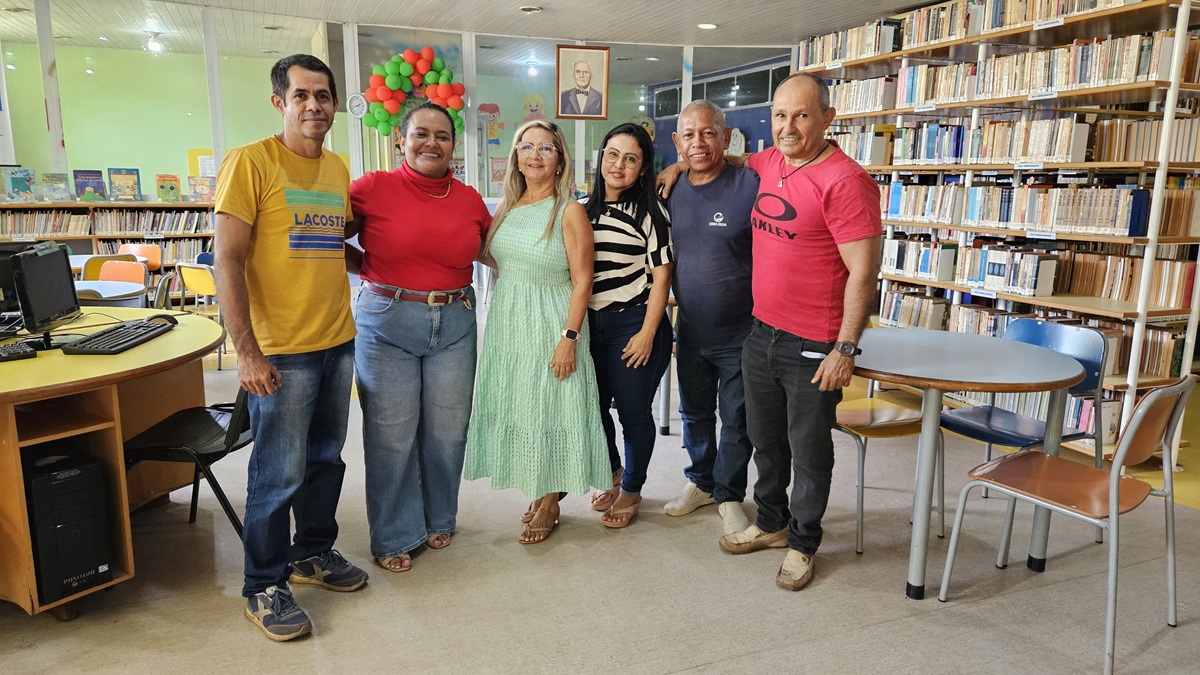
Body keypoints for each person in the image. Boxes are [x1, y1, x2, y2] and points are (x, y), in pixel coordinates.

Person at [660, 73, 881, 591]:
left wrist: (844, 348)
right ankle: (772, 522)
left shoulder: (846, 181)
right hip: (760, 332)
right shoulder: (769, 162)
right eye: (780, 115)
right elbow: (722, 160)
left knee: (808, 450)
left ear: (828, 118)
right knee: (766, 441)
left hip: (814, 341)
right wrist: (674, 165)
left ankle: (804, 542)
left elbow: (864, 273)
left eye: (801, 115)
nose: (788, 126)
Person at [214, 53, 367, 642]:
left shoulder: (336, 168)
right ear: (280, 102)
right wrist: (247, 351)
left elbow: (328, 241)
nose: (314, 106)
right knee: (277, 473)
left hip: (337, 339)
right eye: (301, 95)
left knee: (326, 459)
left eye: (323, 96)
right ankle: (263, 584)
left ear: (334, 105)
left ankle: (312, 554)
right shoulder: (250, 163)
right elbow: (227, 259)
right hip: (280, 350)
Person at [347, 103, 492, 573]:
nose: (432, 143)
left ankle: (438, 516)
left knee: (448, 433)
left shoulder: (470, 199)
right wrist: (368, 271)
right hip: (387, 320)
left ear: (454, 145)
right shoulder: (371, 188)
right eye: (421, 134)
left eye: (443, 136)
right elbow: (328, 236)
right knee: (391, 435)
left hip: (455, 320)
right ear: (400, 140)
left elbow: (495, 251)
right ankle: (394, 534)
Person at [464, 120, 611, 543]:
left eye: (545, 148)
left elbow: (583, 280)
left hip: (551, 323)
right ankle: (539, 487)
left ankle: (550, 499)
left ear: (560, 158)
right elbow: (500, 259)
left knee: (549, 407)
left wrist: (568, 338)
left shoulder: (569, 210)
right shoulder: (507, 207)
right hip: (511, 323)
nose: (534, 155)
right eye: (525, 146)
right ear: (515, 155)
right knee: (523, 406)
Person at [661, 100, 759, 536]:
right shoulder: (668, 190)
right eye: (689, 134)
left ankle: (730, 494)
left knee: (737, 419)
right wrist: (674, 170)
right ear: (676, 140)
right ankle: (700, 482)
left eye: (708, 133)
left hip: (743, 332)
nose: (698, 142)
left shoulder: (750, 183)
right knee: (694, 413)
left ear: (725, 136)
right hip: (692, 330)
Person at [584, 123, 674, 528]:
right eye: (613, 154)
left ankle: (633, 489)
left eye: (631, 158)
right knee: (592, 408)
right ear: (600, 157)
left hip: (635, 323)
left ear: (643, 168)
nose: (619, 165)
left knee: (634, 413)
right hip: (591, 326)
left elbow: (662, 276)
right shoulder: (583, 209)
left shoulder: (651, 211)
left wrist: (647, 333)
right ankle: (614, 471)